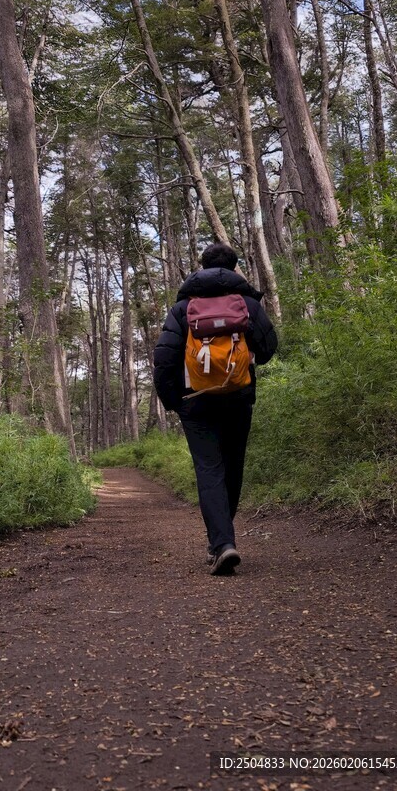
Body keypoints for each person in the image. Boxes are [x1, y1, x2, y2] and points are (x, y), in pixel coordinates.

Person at [153, 242, 278, 576]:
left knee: (209, 469)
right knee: (233, 466)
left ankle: (222, 543)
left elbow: (165, 356)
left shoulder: (182, 308)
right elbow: (268, 349)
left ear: (201, 266)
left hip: (196, 401)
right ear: (234, 267)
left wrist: (172, 401)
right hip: (238, 395)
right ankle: (222, 541)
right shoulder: (247, 303)